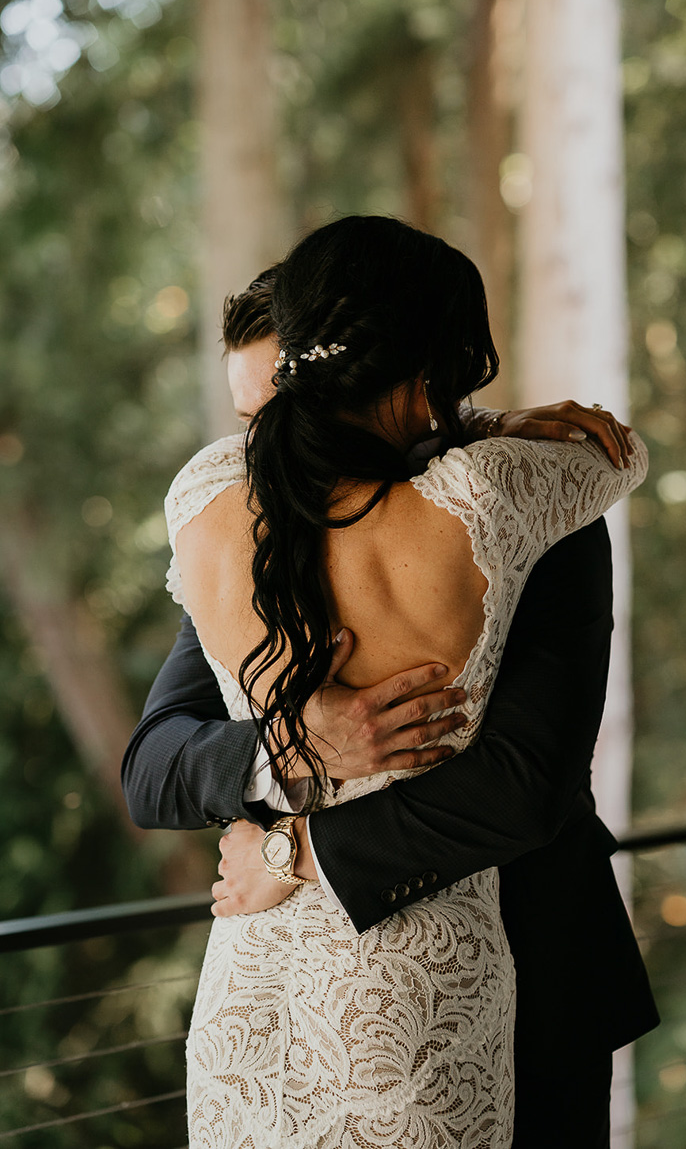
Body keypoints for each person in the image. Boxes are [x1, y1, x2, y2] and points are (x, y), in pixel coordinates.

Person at [125, 215, 656, 1147]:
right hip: (334, 1002)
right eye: (249, 422)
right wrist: (283, 755)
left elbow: (525, 782)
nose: (264, 447)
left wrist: (292, 851)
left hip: (540, 982)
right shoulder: (492, 496)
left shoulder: (208, 501)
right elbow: (156, 763)